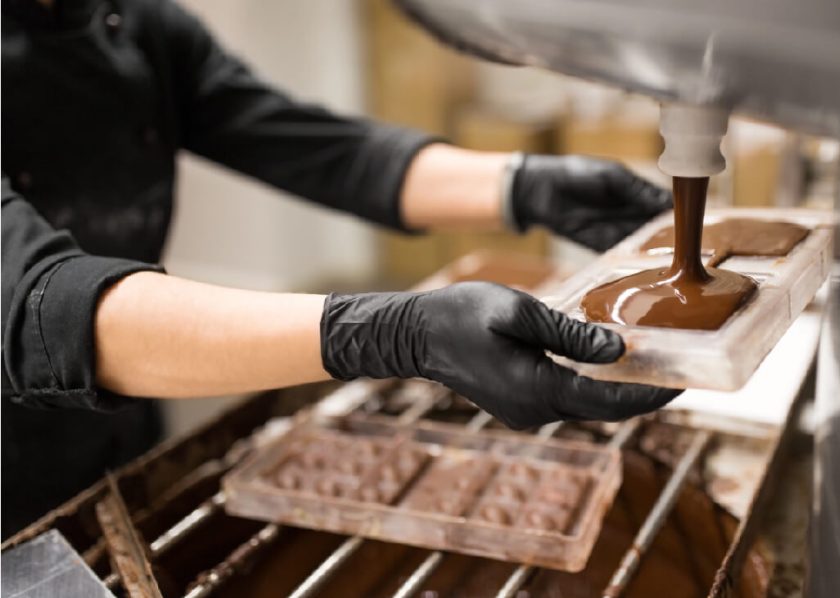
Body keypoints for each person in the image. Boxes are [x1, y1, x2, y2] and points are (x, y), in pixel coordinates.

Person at [1, 0, 677, 536]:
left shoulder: (131, 19)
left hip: (122, 438)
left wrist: (522, 184)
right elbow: (39, 309)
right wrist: (396, 335)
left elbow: (312, 144)